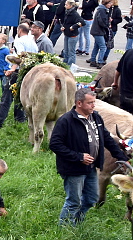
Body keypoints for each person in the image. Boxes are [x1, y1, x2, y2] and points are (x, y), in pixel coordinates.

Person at [49, 88, 128, 225]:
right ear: (79, 103)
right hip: (73, 168)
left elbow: (107, 138)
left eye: (94, 102)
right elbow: (55, 145)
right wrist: (79, 157)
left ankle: (76, 222)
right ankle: (65, 229)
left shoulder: (95, 117)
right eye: (90, 103)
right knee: (74, 201)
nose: (93, 105)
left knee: (92, 198)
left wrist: (122, 157)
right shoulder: (66, 121)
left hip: (91, 167)